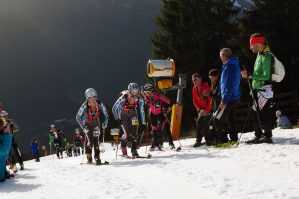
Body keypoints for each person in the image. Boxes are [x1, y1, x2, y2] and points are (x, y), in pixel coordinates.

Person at [241, 33, 274, 144]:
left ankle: (267, 136)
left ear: (258, 43)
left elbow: (266, 76)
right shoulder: (259, 55)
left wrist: (249, 75)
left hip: (264, 90)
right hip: (256, 89)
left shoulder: (267, 56)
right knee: (254, 113)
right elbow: (257, 73)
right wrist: (249, 75)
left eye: (252, 45)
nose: (251, 48)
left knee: (264, 114)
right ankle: (258, 135)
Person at [213, 48, 241, 144]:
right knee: (230, 118)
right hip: (233, 96)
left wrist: (224, 101)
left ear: (224, 56)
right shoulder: (232, 65)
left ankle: (223, 140)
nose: (220, 58)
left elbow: (228, 85)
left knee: (217, 119)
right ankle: (234, 138)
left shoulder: (229, 67)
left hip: (230, 98)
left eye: (221, 56)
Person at [112, 83, 146, 157]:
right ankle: (124, 151)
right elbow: (114, 108)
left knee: (135, 133)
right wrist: (117, 118)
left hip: (133, 114)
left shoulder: (140, 99)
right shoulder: (124, 97)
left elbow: (141, 111)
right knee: (126, 134)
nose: (135, 95)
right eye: (133, 93)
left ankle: (134, 151)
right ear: (129, 91)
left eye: (136, 92)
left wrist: (143, 123)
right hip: (123, 115)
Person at [76, 88, 109, 164]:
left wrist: (105, 122)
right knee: (90, 142)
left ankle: (97, 157)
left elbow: (106, 114)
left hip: (96, 124)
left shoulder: (100, 104)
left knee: (96, 141)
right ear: (87, 98)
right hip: (87, 124)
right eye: (91, 98)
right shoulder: (84, 106)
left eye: (95, 97)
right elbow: (77, 117)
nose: (93, 100)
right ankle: (89, 157)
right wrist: (83, 128)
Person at [142, 83, 175, 150]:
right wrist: (145, 105)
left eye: (148, 92)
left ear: (152, 91)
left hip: (160, 114)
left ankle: (171, 143)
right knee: (154, 130)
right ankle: (156, 145)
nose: (146, 94)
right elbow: (145, 105)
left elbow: (169, 101)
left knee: (166, 127)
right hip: (153, 115)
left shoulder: (159, 95)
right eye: (146, 93)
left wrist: (168, 107)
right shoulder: (147, 97)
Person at [191, 74, 214, 147]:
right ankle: (202, 141)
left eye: (195, 79)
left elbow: (210, 100)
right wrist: (199, 110)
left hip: (209, 110)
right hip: (201, 111)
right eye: (193, 80)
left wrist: (206, 110)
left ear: (200, 80)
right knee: (200, 123)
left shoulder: (205, 87)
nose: (193, 81)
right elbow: (194, 101)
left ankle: (206, 140)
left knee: (203, 123)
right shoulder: (194, 88)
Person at [0, 103, 14, 182]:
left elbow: (15, 128)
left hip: (6, 139)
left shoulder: (5, 119)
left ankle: (5, 173)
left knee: (5, 156)